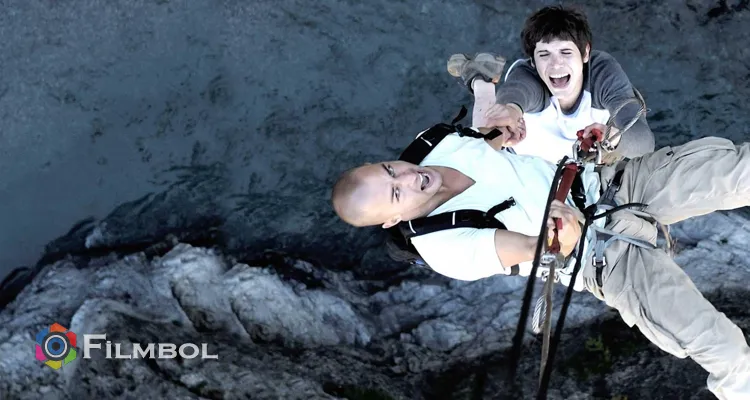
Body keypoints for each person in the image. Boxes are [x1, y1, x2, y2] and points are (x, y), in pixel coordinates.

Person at [330, 95, 750, 397]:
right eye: (396, 194)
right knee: (724, 352)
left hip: (614, 183)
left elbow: (486, 140)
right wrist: (561, 233)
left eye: (390, 170)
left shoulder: (430, 142)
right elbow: (539, 249)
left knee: (741, 171)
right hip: (605, 257)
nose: (409, 178)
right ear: (392, 220)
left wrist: (505, 120)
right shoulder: (446, 249)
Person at [447, 5, 656, 164]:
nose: (556, 64)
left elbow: (644, 144)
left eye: (566, 52)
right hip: (531, 162)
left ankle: (480, 78)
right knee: (488, 134)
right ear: (533, 61)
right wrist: (511, 112)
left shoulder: (602, 74)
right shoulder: (528, 76)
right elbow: (519, 92)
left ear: (585, 53)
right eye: (544, 54)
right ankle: (481, 83)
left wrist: (611, 136)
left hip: (587, 165)